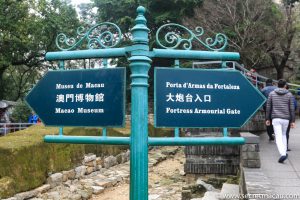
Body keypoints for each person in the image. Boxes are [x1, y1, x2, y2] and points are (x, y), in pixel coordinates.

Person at [266, 79, 295, 163]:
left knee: (278, 137)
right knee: (283, 135)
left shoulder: (272, 94)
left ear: (277, 85)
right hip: (286, 118)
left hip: (276, 118)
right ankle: (284, 151)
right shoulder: (289, 94)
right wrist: (292, 121)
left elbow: (268, 107)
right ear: (285, 85)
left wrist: (267, 119)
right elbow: (292, 109)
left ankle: (283, 154)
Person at [284, 85, 297, 151]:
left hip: (276, 116)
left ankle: (281, 146)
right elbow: (295, 106)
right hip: (287, 116)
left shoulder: (274, 94)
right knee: (286, 132)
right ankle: (285, 146)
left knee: (279, 132)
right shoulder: (291, 95)